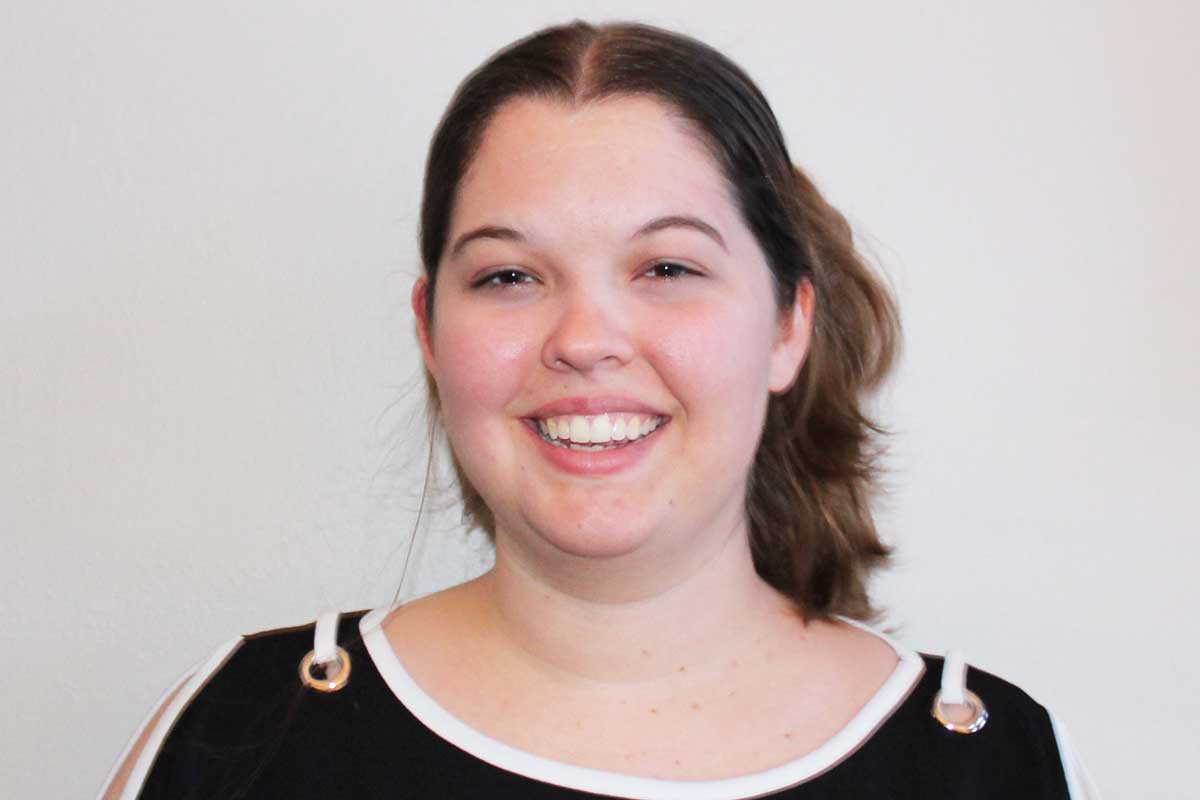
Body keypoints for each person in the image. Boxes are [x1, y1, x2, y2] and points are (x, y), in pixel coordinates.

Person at [99, 20, 1098, 799]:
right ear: (429, 330)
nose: (583, 337)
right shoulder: (236, 733)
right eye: (508, 275)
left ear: (790, 322)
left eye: (666, 266)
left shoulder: (992, 762)